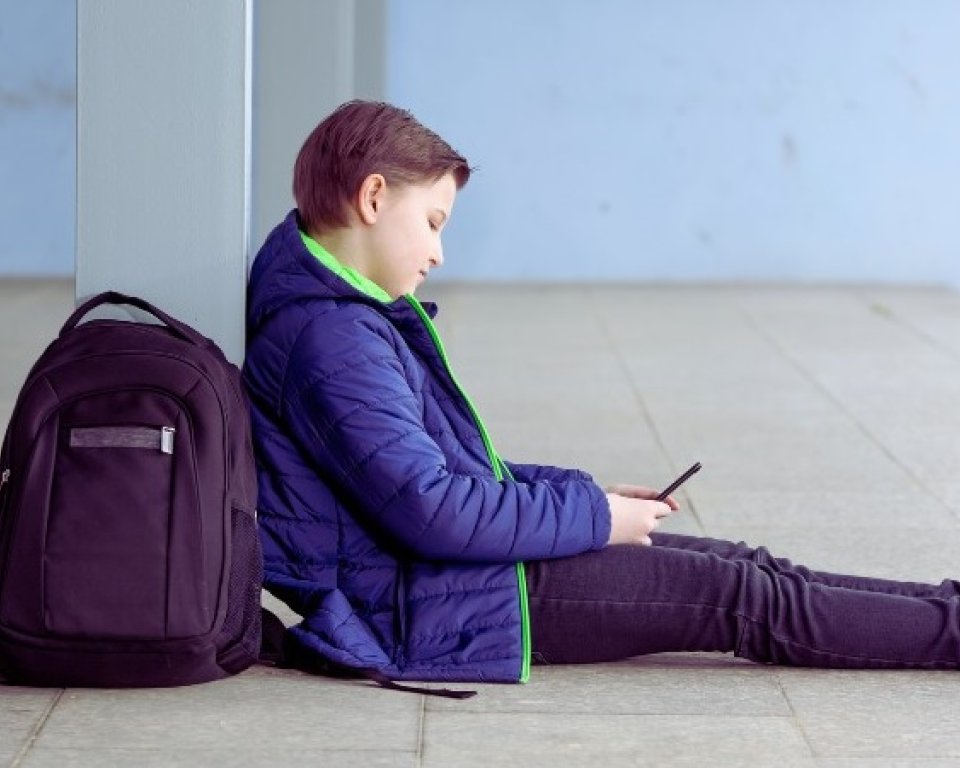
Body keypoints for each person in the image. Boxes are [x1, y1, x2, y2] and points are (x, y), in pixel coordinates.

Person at [242, 100, 960, 690]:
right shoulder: (330, 340)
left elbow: (433, 483)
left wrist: (590, 499)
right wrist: (594, 515)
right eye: (433, 223)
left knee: (748, 565)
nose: (438, 252)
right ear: (373, 197)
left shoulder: (339, 319)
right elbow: (434, 514)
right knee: (743, 597)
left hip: (460, 578)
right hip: (454, 602)